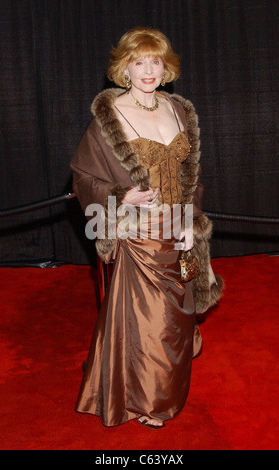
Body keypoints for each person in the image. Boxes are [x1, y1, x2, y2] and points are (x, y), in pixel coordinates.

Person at [70, 27, 223, 429]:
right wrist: (121, 196)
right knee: (151, 323)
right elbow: (82, 177)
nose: (148, 70)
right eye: (139, 61)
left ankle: (152, 384)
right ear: (124, 68)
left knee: (176, 320)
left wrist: (192, 219)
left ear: (166, 66)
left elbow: (193, 175)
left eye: (156, 60)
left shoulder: (178, 109)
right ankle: (149, 401)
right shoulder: (111, 114)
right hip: (139, 235)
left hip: (178, 230)